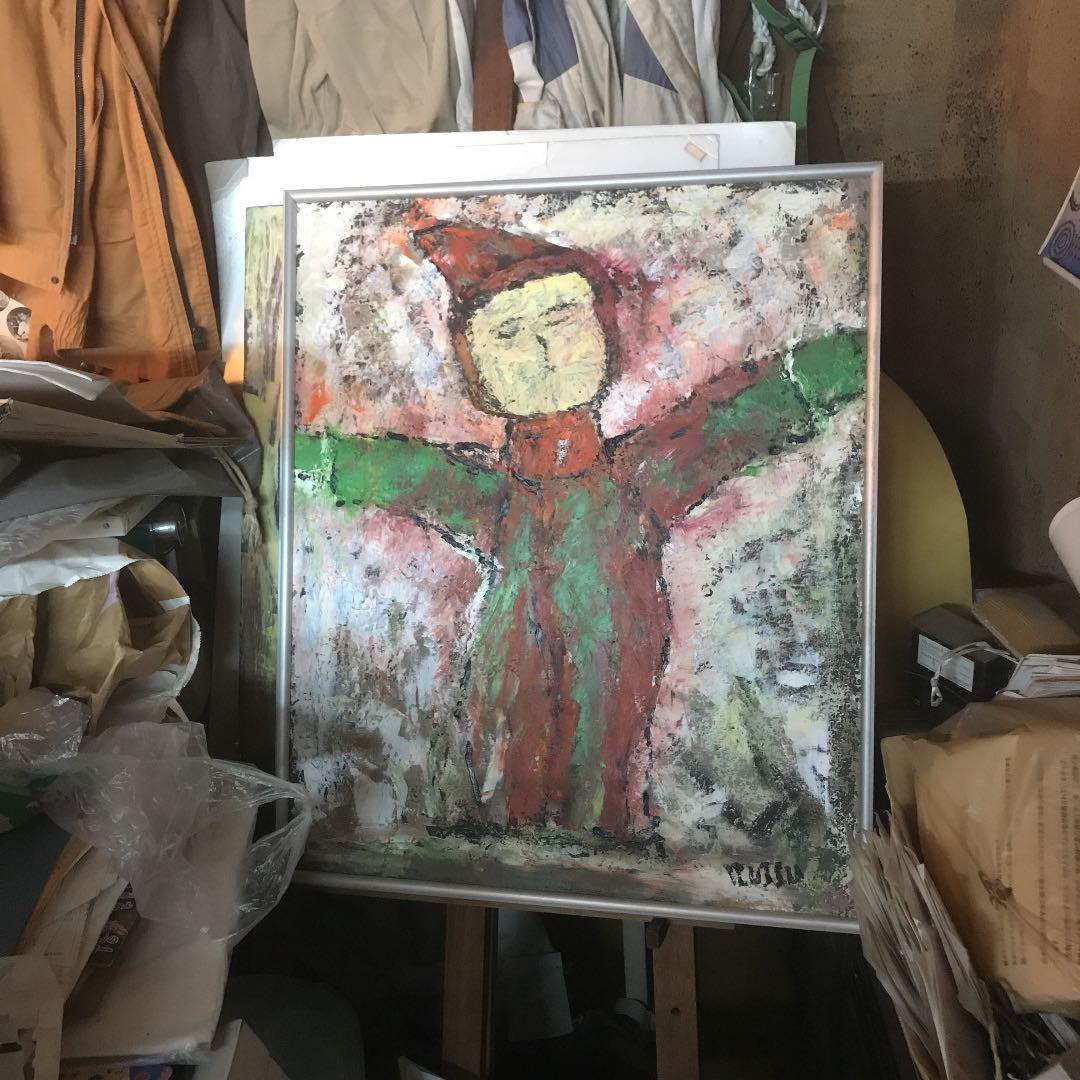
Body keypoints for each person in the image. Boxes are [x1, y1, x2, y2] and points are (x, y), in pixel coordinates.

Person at [295, 224, 864, 838]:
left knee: (599, 778)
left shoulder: (640, 476)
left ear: (603, 333)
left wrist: (853, 356)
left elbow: (739, 417)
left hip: (613, 689)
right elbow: (395, 473)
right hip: (507, 689)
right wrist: (291, 456)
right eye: (509, 334)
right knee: (507, 765)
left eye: (563, 318)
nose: (543, 347)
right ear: (478, 371)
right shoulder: (491, 494)